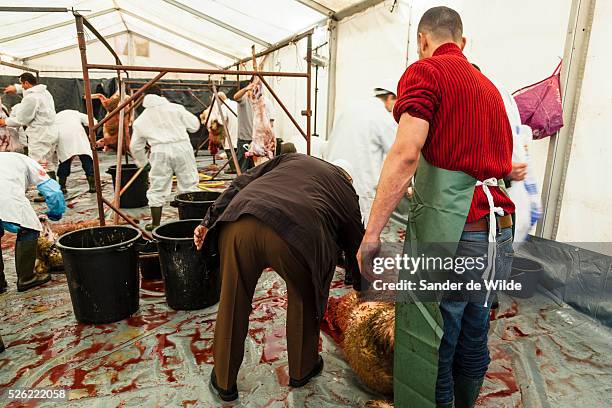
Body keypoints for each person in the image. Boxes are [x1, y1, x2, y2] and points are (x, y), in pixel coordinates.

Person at [357, 7, 514, 408]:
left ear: (422, 40)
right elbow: (505, 165)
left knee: (434, 332)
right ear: (462, 42)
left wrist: (371, 235)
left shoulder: (426, 72)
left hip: (453, 226)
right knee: (474, 327)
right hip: (495, 227)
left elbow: (407, 153)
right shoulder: (490, 88)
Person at [193, 153, 363, 402]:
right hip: (297, 236)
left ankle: (223, 381)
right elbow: (356, 247)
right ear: (348, 178)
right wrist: (363, 290)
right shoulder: (346, 192)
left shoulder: (293, 159)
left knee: (233, 299)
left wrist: (209, 219)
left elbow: (241, 182)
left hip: (240, 222)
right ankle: (302, 370)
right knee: (304, 298)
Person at [324, 83, 398, 224]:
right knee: (361, 227)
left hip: (333, 176)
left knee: (334, 224)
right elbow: (398, 152)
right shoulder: (382, 116)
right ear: (390, 98)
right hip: (362, 184)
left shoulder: (352, 107)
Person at [130, 85, 200, 230]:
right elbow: (194, 125)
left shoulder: (142, 119)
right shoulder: (176, 108)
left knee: (157, 186)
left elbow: (135, 146)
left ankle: (155, 223)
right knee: (189, 183)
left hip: (159, 151)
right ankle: (190, 220)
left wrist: (143, 163)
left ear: (144, 97)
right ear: (161, 94)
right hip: (182, 147)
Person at [0, 152, 66, 293]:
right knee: (29, 229)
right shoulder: (29, 162)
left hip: (4, 193)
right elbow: (53, 192)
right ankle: (27, 278)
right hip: (6, 193)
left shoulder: (8, 158)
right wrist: (56, 213)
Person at [1, 73, 59, 178]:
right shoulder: (45, 92)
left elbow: (21, 119)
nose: (22, 86)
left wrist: (5, 122)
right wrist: (15, 88)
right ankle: (54, 188)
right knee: (48, 163)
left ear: (26, 83)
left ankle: (47, 190)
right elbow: (29, 91)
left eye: (22, 84)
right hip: (51, 133)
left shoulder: (31, 98)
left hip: (39, 135)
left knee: (38, 164)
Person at [233, 78, 276, 172]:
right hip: (245, 139)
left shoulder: (266, 101)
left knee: (259, 168)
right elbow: (236, 97)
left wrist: (269, 141)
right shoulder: (245, 98)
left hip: (260, 142)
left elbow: (271, 122)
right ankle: (242, 185)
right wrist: (246, 89)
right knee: (242, 169)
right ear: (250, 84)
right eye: (256, 83)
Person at [55, 110, 97, 194]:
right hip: (78, 134)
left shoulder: (56, 116)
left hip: (63, 136)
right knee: (86, 158)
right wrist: (91, 133)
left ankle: (62, 187)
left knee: (65, 161)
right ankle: (92, 185)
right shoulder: (76, 113)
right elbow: (93, 121)